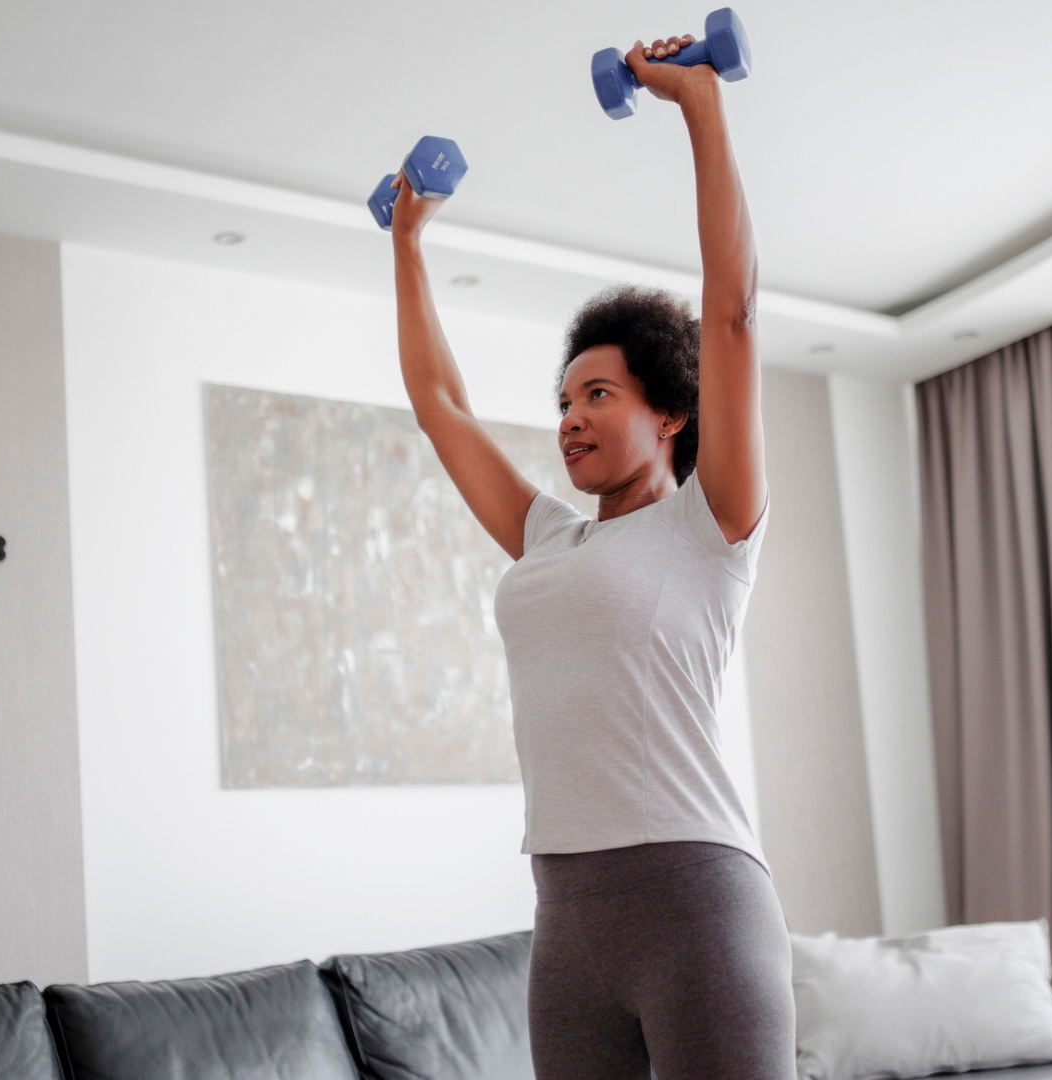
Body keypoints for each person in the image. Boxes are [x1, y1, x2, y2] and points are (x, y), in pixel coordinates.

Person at [386, 31, 792, 1080]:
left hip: (696, 903)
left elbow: (734, 307)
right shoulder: (546, 538)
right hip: (565, 917)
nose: (569, 419)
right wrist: (408, 245)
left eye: (596, 396)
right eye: (562, 401)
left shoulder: (713, 525)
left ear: (669, 412)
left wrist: (699, 105)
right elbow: (440, 408)